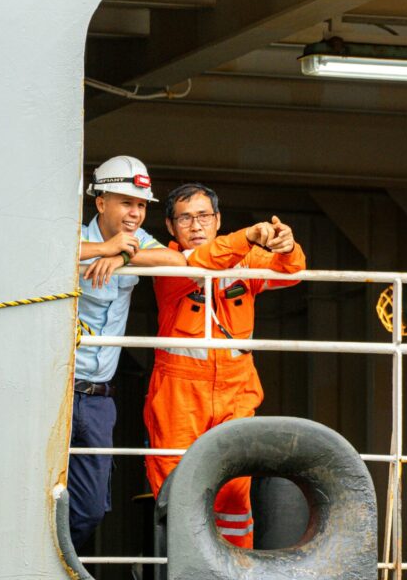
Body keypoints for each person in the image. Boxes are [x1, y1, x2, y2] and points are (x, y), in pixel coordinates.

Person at [143, 182, 306, 548]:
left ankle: (235, 570)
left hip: (236, 390)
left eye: (203, 216)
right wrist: (248, 236)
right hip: (179, 396)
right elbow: (204, 262)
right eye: (185, 218)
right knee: (177, 489)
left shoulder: (245, 262)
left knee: (234, 495)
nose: (196, 226)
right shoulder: (168, 262)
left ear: (217, 220)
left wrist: (286, 244)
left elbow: (292, 272)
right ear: (170, 228)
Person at [71, 156, 185, 548]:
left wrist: (120, 255)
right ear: (101, 203)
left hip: (99, 398)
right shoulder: (69, 235)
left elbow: (177, 259)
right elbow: (41, 254)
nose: (135, 212)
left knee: (89, 508)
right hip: (55, 389)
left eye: (140, 205)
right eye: (126, 202)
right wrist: (101, 247)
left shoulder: (138, 241)